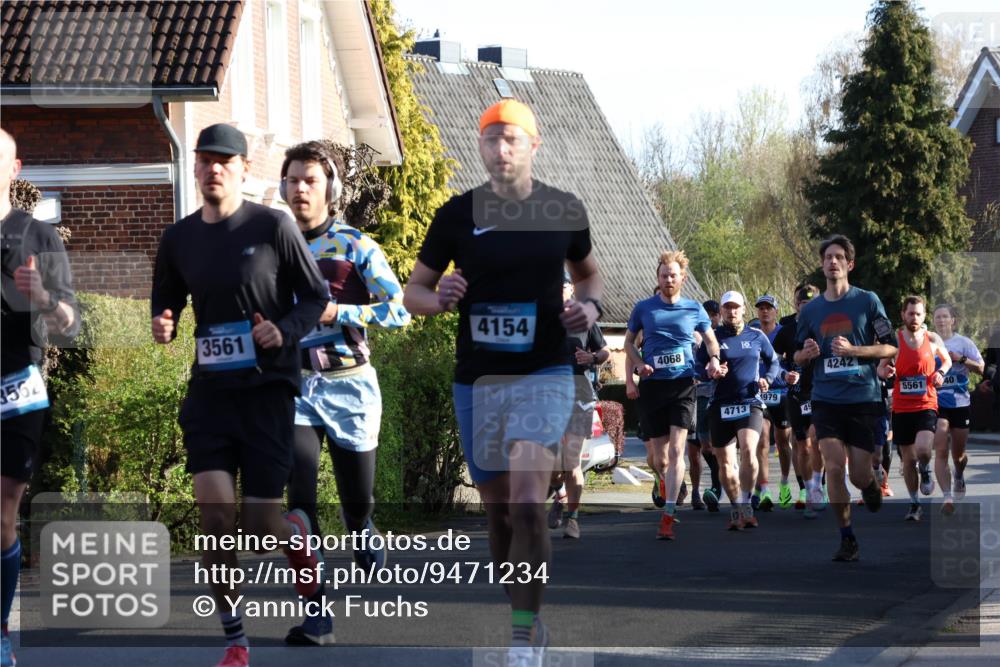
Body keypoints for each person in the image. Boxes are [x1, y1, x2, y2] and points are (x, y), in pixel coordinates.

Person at [403, 99, 603, 667]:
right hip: (480, 381)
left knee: (529, 504)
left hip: (544, 372)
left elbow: (589, 277)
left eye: (512, 139)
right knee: (499, 516)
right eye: (491, 140)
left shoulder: (563, 209)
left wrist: (588, 310)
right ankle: (523, 605)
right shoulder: (455, 215)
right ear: (481, 147)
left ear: (533, 146)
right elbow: (412, 292)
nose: (500, 149)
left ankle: (522, 633)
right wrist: (436, 298)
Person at [151, 124, 330, 667]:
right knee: (213, 517)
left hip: (266, 393)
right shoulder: (178, 238)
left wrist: (282, 331)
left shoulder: (273, 226)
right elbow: (167, 304)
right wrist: (163, 322)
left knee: (258, 526)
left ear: (243, 169)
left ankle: (295, 535)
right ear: (196, 167)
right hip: (210, 394)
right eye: (205, 160)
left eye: (224, 161)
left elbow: (316, 297)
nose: (213, 169)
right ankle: (235, 638)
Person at [279, 140, 411, 645]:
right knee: (299, 507)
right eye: (292, 180)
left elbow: (398, 310)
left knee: (356, 501)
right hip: (294, 390)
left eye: (309, 180)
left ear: (329, 189)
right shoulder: (275, 245)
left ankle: (362, 528)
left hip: (350, 387)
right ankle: (316, 613)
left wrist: (342, 313)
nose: (299, 189)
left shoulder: (356, 245)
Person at [1, 128, 80, 667]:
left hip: (16, 391)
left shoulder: (39, 237)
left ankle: (0, 630)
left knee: (1, 509)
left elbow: (70, 325)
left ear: (15, 168)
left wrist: (45, 298)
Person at [794, 235, 897, 562]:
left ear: (849, 264)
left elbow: (891, 346)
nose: (833, 262)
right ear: (823, 264)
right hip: (826, 400)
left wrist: (855, 351)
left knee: (857, 475)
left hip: (863, 399)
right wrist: (805, 354)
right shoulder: (811, 311)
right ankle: (847, 537)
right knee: (835, 469)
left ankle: (870, 483)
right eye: (828, 257)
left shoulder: (867, 301)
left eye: (839, 257)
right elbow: (796, 355)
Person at [624, 250, 722, 540]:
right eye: (664, 275)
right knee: (660, 458)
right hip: (653, 386)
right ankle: (662, 480)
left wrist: (714, 359)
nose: (669, 279)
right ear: (658, 277)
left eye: (673, 275)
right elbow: (629, 343)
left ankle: (668, 515)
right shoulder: (644, 308)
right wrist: (639, 365)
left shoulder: (694, 308)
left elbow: (711, 339)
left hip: (683, 384)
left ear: (682, 278)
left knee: (679, 450)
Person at [698, 291, 780, 530]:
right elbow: (697, 366)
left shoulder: (756, 336)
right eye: (727, 308)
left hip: (749, 401)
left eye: (736, 307)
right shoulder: (712, 338)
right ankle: (735, 507)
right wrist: (710, 372)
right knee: (725, 464)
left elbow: (773, 361)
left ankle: (746, 504)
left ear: (744, 309)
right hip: (720, 404)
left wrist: (769, 379)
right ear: (721, 311)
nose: (732, 312)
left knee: (748, 450)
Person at [546, 275, 610, 539]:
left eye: (563, 285)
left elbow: (605, 351)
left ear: (571, 289)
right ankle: (559, 494)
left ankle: (573, 519)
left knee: (571, 462)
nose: (559, 290)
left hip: (579, 395)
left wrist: (592, 357)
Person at [878, 296, 950, 519]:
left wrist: (941, 372)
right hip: (901, 407)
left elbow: (946, 359)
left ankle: (926, 469)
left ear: (924, 315)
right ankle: (914, 503)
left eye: (918, 314)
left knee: (923, 450)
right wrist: (886, 373)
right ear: (903, 315)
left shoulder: (931, 337)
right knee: (908, 460)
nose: (915, 318)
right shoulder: (895, 341)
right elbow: (880, 368)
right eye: (910, 313)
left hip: (926, 403)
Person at [772, 284, 824, 515]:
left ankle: (818, 486)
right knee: (802, 446)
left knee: (817, 441)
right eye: (803, 304)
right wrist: (785, 374)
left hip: (821, 392)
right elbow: (773, 360)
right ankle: (807, 488)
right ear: (796, 305)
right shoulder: (787, 330)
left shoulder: (826, 326)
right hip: (795, 394)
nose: (808, 308)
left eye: (813, 304)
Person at [931, 305, 983, 508]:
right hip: (936, 402)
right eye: (938, 317)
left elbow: (981, 368)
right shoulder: (928, 342)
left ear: (953, 320)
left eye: (945, 317)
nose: (942, 320)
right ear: (934, 320)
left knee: (958, 454)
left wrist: (960, 359)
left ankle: (959, 473)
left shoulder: (964, 342)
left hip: (960, 403)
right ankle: (947, 496)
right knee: (941, 449)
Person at [751, 294, 797, 511]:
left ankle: (785, 482)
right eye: (761, 308)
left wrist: (789, 375)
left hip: (781, 393)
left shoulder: (783, 333)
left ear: (776, 311)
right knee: (761, 439)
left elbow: (791, 361)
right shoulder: (753, 334)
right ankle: (764, 488)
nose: (765, 311)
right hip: (759, 394)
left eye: (769, 308)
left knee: (782, 442)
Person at [693, 300, 724, 511]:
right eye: (708, 314)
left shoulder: (723, 336)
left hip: (723, 397)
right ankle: (716, 483)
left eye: (715, 314)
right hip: (701, 397)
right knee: (705, 446)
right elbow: (696, 366)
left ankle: (716, 488)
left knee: (718, 446)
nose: (712, 318)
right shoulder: (699, 340)